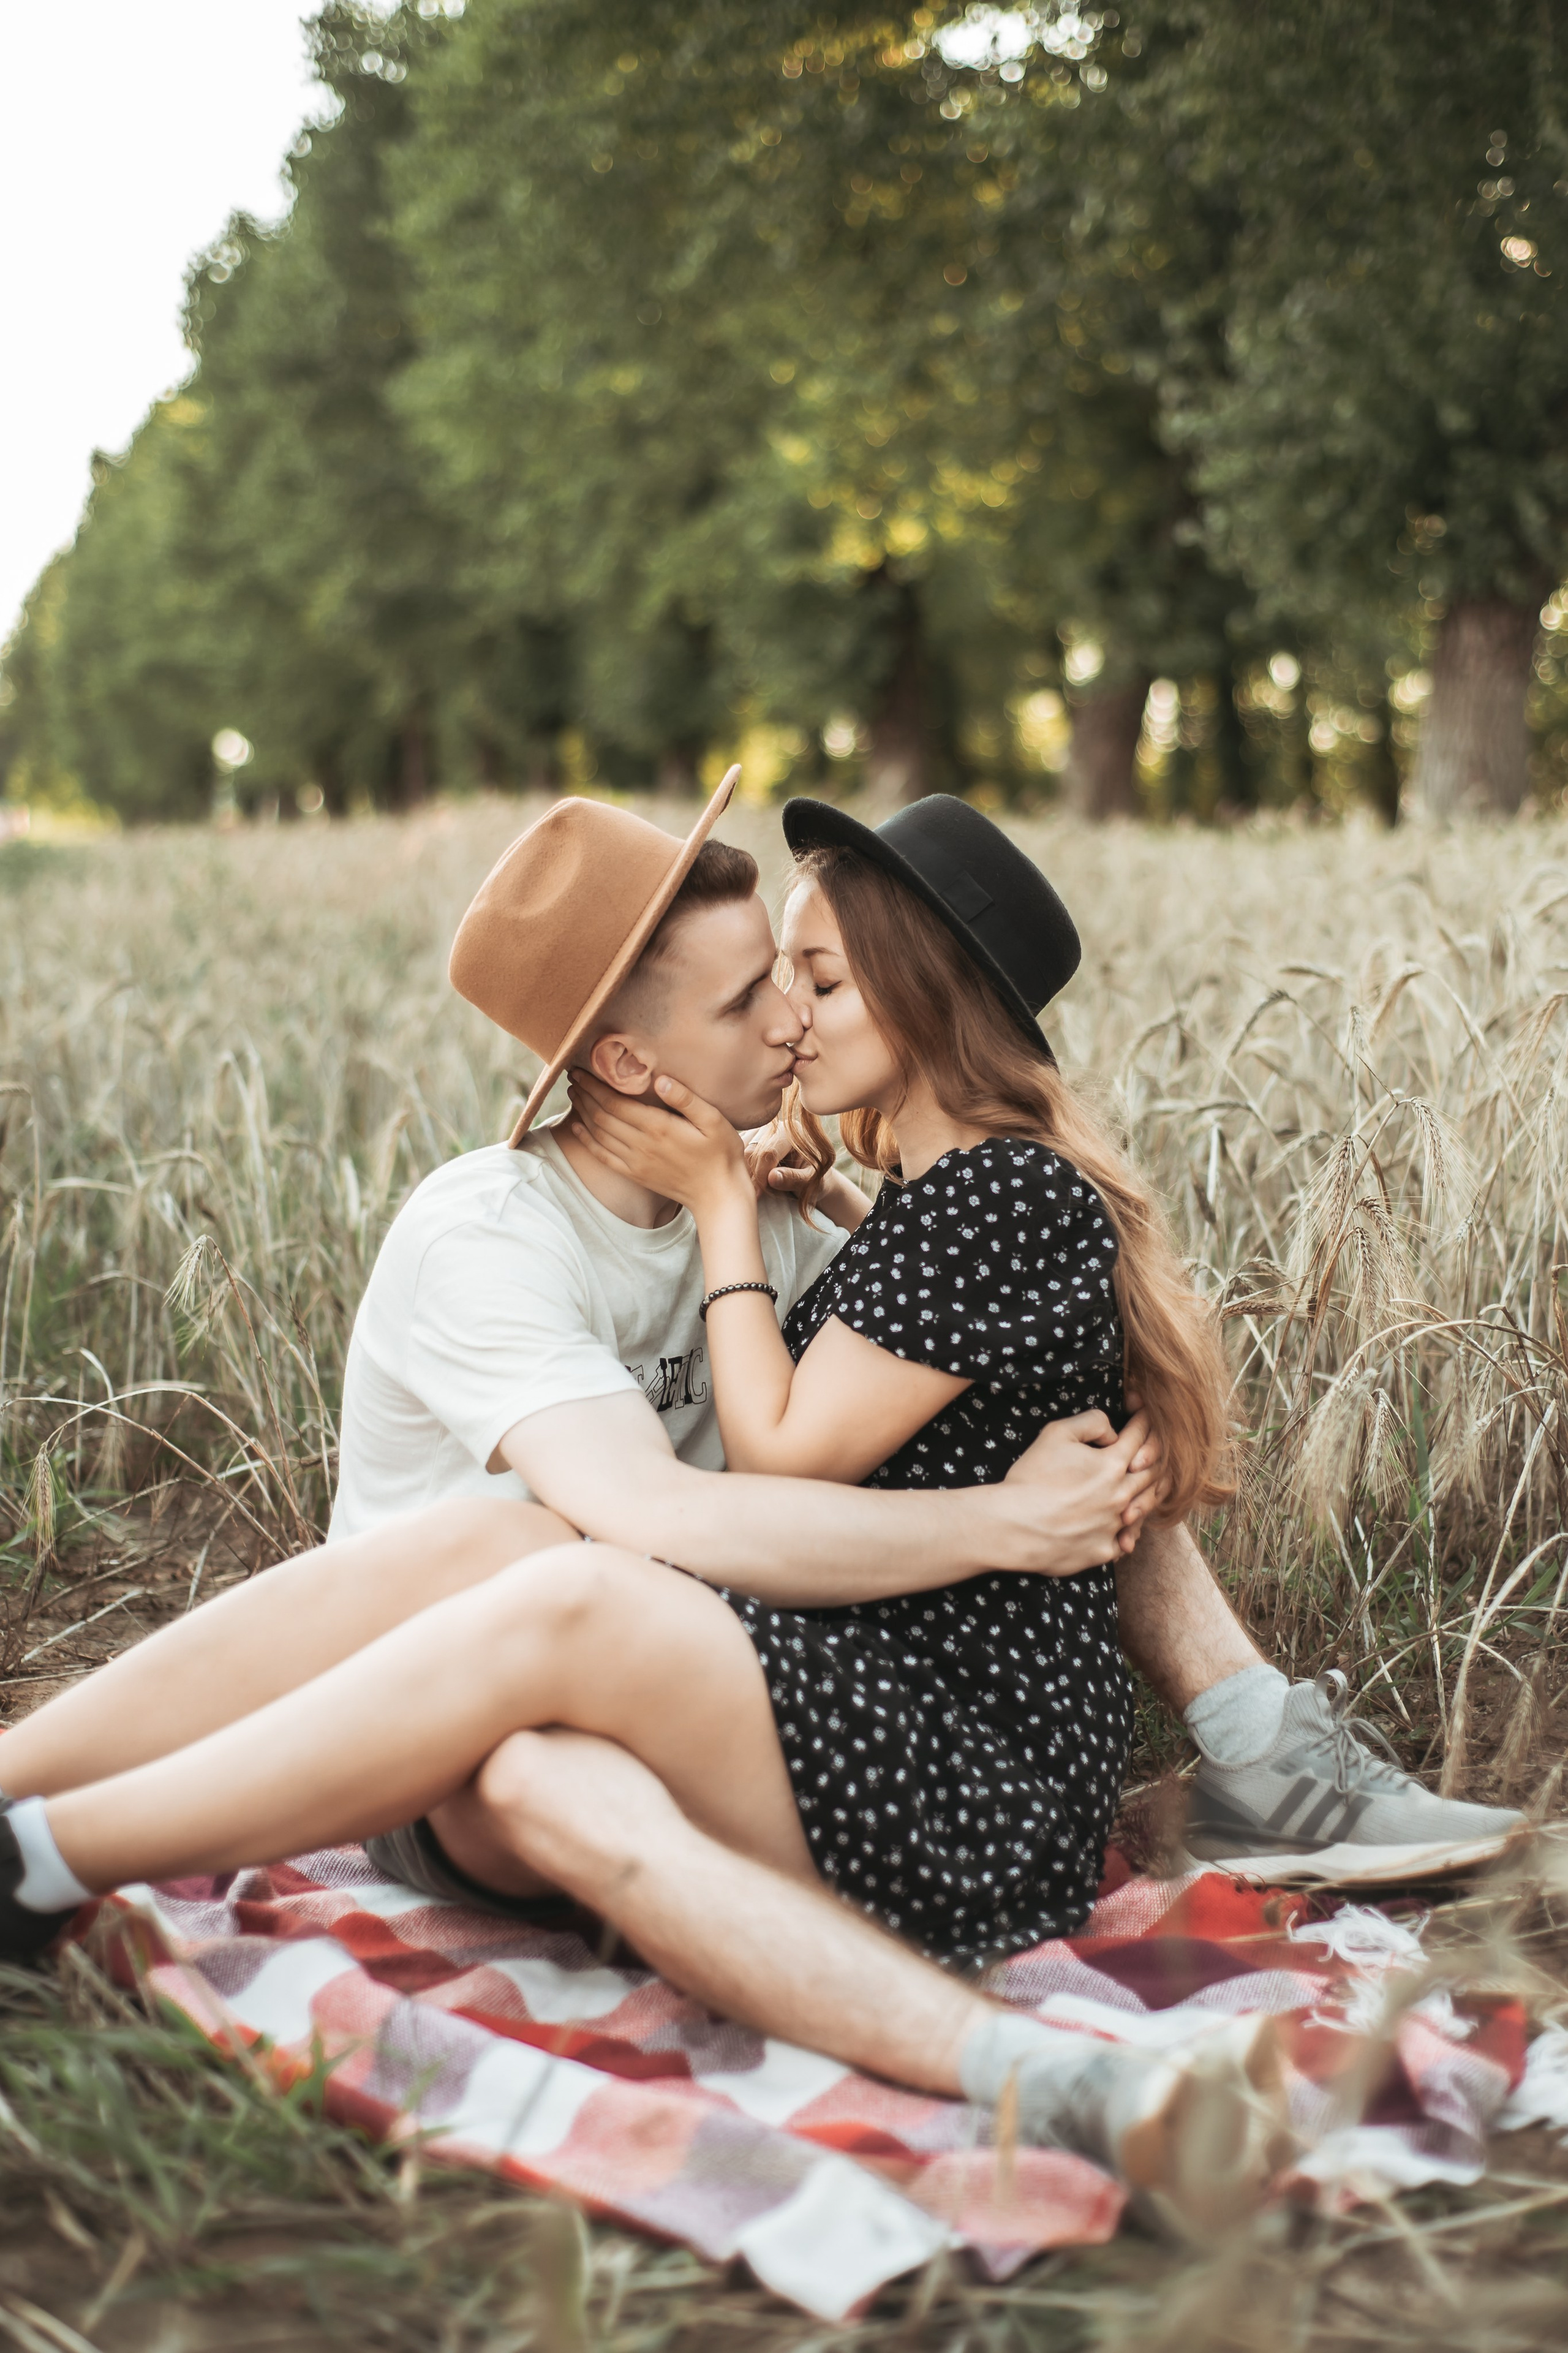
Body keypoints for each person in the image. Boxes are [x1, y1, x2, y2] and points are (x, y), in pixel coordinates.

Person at [0, 781, 1517, 2229]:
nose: (788, 1022)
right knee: (525, 1564)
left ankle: (42, 1855)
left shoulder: (837, 1226)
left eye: (810, 984)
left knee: (542, 1647)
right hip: (417, 1741)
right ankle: (31, 1817)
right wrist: (1006, 1520)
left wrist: (790, 1221)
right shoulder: (493, 1237)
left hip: (745, 1714)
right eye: (752, 998)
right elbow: (683, 1515)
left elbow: (957, 1366)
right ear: (629, 1066)